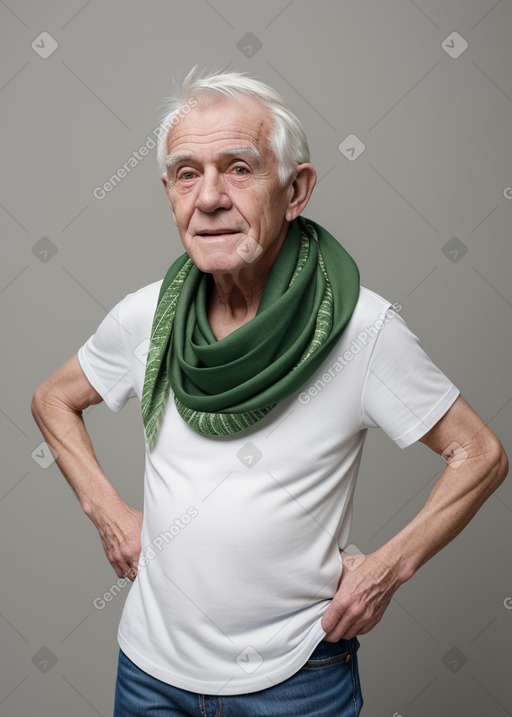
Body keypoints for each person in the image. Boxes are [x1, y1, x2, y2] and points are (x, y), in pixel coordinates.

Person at [31, 68, 508, 717]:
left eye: (238, 168)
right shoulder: (146, 317)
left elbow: (480, 453)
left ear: (296, 189)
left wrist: (387, 569)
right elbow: (52, 397)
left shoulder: (361, 330)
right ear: (169, 192)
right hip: (149, 673)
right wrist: (108, 511)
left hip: (297, 680)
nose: (209, 197)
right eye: (187, 173)